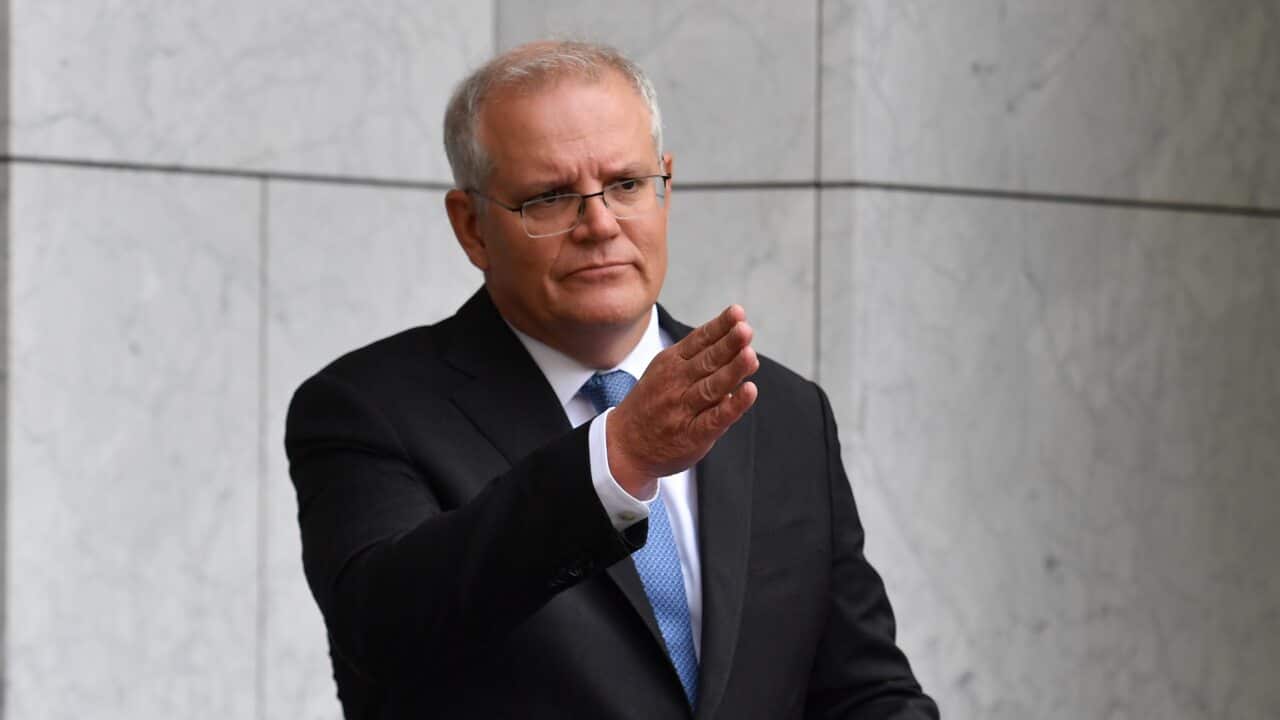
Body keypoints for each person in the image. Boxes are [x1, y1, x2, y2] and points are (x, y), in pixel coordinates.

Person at [286, 40, 939, 719]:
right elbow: (382, 632)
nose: (599, 224)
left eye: (626, 184)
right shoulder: (367, 409)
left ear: (666, 186)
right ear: (471, 227)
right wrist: (615, 462)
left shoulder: (783, 412)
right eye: (550, 197)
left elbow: (864, 691)